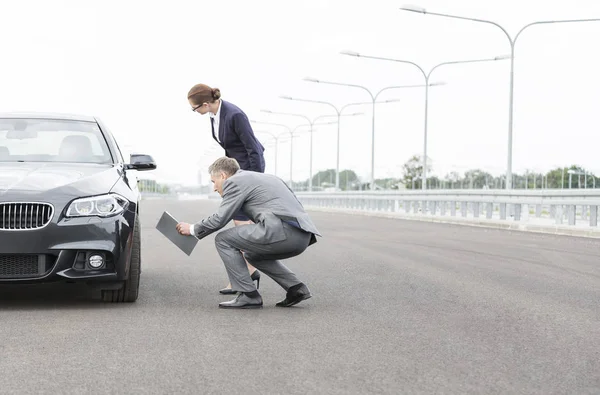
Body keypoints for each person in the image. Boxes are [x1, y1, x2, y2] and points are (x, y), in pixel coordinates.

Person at [176, 157, 321, 309]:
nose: (214, 188)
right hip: (302, 235)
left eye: (214, 182)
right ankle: (296, 288)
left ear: (223, 176)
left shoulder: (234, 182)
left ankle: (248, 295)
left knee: (223, 239)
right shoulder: (267, 178)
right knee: (253, 255)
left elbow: (220, 218)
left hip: (282, 232)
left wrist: (192, 229)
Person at [188, 83, 266, 294]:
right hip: (236, 172)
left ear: (205, 104)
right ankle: (247, 273)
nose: (195, 113)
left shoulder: (235, 115)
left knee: (241, 224)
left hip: (249, 171)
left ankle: (247, 274)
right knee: (240, 223)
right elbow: (229, 146)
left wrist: (256, 180)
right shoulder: (215, 115)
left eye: (195, 109)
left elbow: (253, 149)